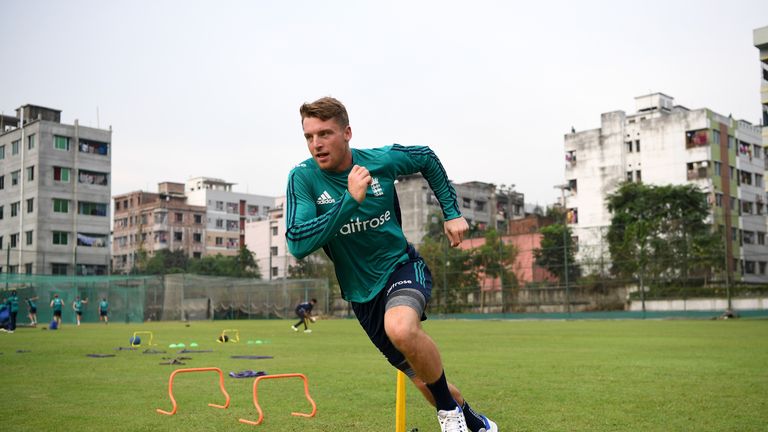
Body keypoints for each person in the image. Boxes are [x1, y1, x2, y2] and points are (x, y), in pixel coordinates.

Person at [285, 97, 497, 432]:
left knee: (400, 328)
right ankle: (478, 424)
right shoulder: (303, 178)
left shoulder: (379, 161)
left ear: (347, 133)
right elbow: (297, 242)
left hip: (401, 267)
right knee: (423, 381)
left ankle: (449, 416)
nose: (316, 144)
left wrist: (452, 213)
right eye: (309, 136)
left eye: (324, 134)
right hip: (360, 294)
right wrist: (348, 202)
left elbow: (425, 157)